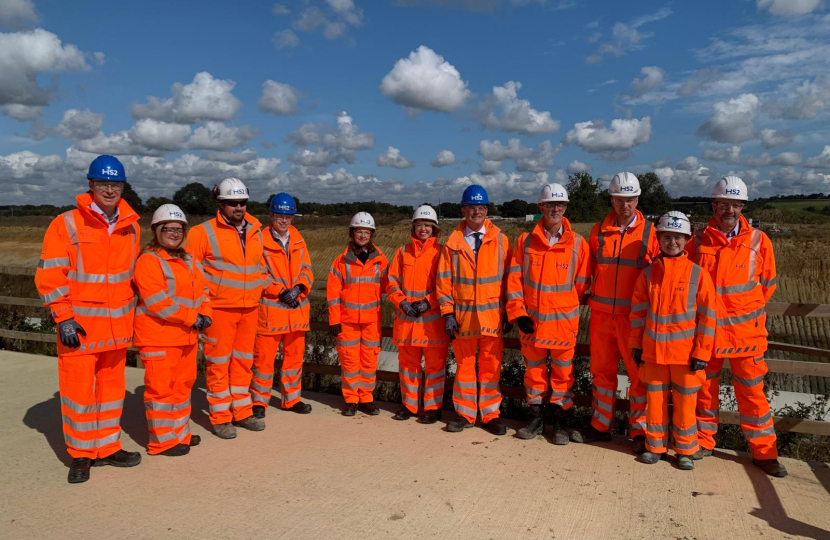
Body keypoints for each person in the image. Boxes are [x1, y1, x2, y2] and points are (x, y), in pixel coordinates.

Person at [35, 154, 142, 483]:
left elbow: (131, 277)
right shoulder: (66, 223)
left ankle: (108, 447)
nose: (110, 190)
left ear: (123, 187)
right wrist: (63, 316)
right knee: (79, 392)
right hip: (79, 329)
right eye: (103, 183)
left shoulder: (131, 226)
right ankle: (81, 454)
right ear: (91, 185)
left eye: (116, 184)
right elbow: (51, 276)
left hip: (117, 329)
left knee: (112, 392)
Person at [687, 176, 787, 477]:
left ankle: (765, 453)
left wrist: (742, 312)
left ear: (743, 206)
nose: (728, 210)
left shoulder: (759, 241)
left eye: (735, 204)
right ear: (713, 205)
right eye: (723, 204)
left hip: (747, 336)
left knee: (753, 395)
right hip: (708, 335)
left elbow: (767, 285)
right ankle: (704, 441)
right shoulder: (698, 240)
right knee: (704, 392)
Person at [574, 172, 659, 451]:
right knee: (602, 372)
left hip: (633, 320)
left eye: (631, 199)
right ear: (612, 199)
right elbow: (588, 270)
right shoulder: (598, 230)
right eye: (621, 199)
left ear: (638, 199)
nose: (626, 205)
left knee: (639, 376)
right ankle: (600, 426)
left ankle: (639, 432)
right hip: (600, 315)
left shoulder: (651, 233)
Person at [629, 211, 716, 470]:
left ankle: (685, 450)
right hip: (653, 353)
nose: (672, 242)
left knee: (686, 404)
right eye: (667, 237)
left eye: (678, 237)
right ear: (658, 239)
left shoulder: (698, 275)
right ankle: (655, 447)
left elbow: (708, 317)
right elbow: (638, 314)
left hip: (686, 355)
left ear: (687, 240)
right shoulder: (647, 275)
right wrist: (636, 345)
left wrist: (702, 352)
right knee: (654, 401)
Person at [506, 184, 591, 444]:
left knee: (563, 375)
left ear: (565, 208)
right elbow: (514, 281)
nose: (555, 209)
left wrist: (559, 308)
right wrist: (518, 314)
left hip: (563, 327)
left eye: (560, 205)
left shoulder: (578, 243)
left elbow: (581, 286)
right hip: (531, 323)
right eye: (550, 205)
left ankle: (562, 424)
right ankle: (536, 419)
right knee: (533, 373)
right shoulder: (525, 240)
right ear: (540, 207)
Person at [188, 178, 265, 439]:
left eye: (242, 202)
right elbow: (190, 273)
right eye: (233, 203)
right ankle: (221, 416)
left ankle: (242, 412)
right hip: (219, 309)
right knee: (218, 364)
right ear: (220, 203)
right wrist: (202, 306)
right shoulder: (202, 232)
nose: (239, 208)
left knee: (244, 363)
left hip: (250, 308)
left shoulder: (256, 229)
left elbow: (259, 268)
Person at [133, 204, 212, 457]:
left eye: (179, 229)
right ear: (156, 230)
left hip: (186, 337)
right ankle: (162, 441)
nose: (174, 233)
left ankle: (180, 434)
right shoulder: (148, 261)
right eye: (168, 228)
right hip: (159, 337)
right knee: (161, 390)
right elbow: (158, 303)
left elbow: (204, 292)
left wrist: (205, 315)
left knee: (182, 387)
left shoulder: (189, 259)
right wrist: (194, 318)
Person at [436, 185, 512, 435]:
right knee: (465, 367)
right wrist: (447, 314)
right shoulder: (452, 244)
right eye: (472, 207)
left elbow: (511, 279)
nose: (476, 212)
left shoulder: (501, 240)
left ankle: (491, 415)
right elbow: (444, 281)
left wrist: (511, 311)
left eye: (481, 208)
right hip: (463, 319)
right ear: (463, 210)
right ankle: (465, 414)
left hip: (492, 317)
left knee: (491, 367)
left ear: (487, 210)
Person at [250, 193, 314, 418]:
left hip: (296, 311)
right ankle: (259, 401)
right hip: (271, 312)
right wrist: (280, 291)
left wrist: (299, 288)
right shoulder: (259, 239)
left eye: (288, 216)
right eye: (280, 215)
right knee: (263, 360)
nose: (284, 220)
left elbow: (307, 269)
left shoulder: (298, 239)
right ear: (271, 214)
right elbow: (258, 272)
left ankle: (292, 399)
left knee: (294, 359)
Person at [386, 205, 449, 424]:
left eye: (428, 225)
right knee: (408, 366)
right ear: (413, 227)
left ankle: (432, 408)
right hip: (407, 321)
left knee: (434, 368)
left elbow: (446, 284)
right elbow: (391, 282)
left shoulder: (441, 252)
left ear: (434, 229)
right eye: (420, 225)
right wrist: (402, 302)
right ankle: (409, 405)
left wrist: (428, 302)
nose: (423, 229)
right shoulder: (402, 252)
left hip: (432, 323)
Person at [327, 212, 389, 416]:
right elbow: (333, 293)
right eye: (359, 231)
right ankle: (351, 399)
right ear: (352, 233)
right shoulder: (341, 261)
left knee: (369, 361)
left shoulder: (380, 261)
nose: (363, 235)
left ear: (372, 234)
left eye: (367, 232)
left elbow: (391, 285)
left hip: (371, 321)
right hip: (347, 321)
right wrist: (334, 319)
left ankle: (366, 399)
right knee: (350, 360)